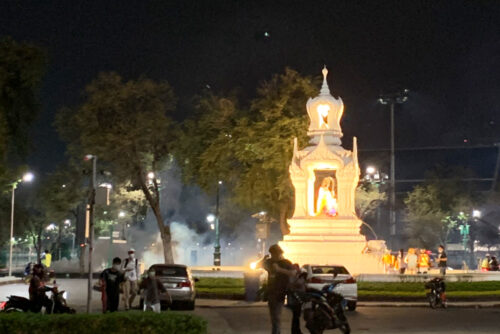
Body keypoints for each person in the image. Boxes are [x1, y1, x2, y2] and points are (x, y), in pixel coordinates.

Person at [262, 244, 297, 334]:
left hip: (280, 292)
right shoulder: (270, 262)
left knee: (276, 316)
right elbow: (259, 265)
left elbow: (293, 273)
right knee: (274, 317)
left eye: (275, 254)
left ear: (279, 253)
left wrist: (279, 270)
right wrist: (263, 260)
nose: (274, 256)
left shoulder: (286, 263)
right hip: (271, 292)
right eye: (272, 254)